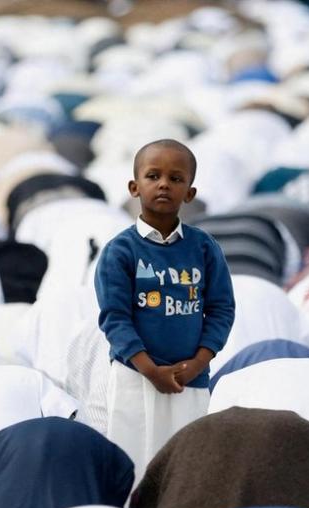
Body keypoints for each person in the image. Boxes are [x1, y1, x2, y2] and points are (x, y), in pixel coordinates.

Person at [94, 139, 236, 482]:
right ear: (134, 187)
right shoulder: (120, 251)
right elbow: (115, 318)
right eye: (153, 175)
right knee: (135, 469)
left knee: (190, 469)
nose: (163, 184)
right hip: (135, 378)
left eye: (176, 178)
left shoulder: (203, 247)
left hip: (191, 379)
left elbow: (221, 309)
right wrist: (148, 368)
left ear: (189, 193)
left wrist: (199, 362)